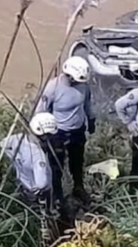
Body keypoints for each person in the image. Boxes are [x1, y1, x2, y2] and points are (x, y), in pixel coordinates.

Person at [37, 56, 95, 206]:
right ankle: (57, 195)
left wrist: (91, 121)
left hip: (78, 131)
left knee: (77, 162)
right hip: (58, 133)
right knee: (56, 166)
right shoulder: (53, 87)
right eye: (74, 80)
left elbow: (87, 104)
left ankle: (78, 188)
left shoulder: (83, 86)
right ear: (68, 75)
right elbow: (41, 111)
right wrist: (42, 134)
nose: (77, 83)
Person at [0, 112, 56, 214]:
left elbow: (1, 145)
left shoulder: (17, 139)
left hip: (22, 184)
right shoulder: (38, 156)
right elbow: (42, 183)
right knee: (43, 214)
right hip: (36, 193)